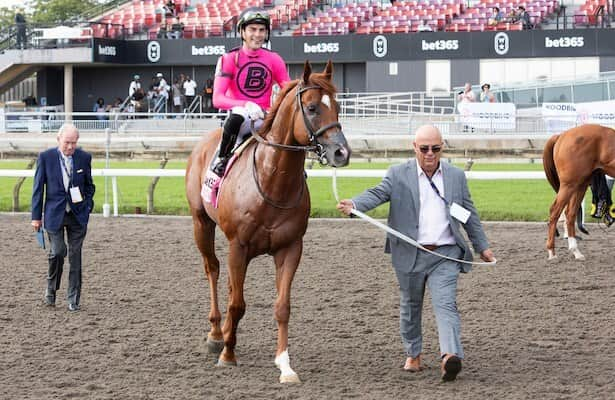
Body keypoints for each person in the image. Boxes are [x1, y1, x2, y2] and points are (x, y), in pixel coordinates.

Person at [337, 125, 495, 382]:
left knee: (446, 304)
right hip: (409, 253)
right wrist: (355, 205)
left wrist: (482, 246)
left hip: (445, 254)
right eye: (424, 149)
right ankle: (413, 354)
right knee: (411, 305)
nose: (430, 154)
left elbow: (468, 214)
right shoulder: (398, 174)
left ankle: (450, 356)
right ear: (414, 148)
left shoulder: (455, 176)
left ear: (443, 147)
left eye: (436, 148)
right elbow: (378, 193)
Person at [211, 7, 290, 176]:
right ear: (242, 32)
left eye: (262, 30)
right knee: (238, 115)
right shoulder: (229, 59)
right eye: (252, 29)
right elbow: (217, 99)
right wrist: (246, 104)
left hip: (266, 118)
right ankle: (222, 159)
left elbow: (288, 91)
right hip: (241, 119)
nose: (258, 34)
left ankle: (296, 169)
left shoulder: (274, 59)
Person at [31, 123, 95, 312]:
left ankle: (73, 299)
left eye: (74, 143)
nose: (70, 147)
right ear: (58, 140)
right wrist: (36, 217)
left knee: (75, 257)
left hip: (77, 216)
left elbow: (90, 186)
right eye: (67, 142)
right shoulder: (46, 158)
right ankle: (51, 290)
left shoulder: (84, 158)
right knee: (58, 252)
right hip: (54, 213)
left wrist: (88, 205)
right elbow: (38, 189)